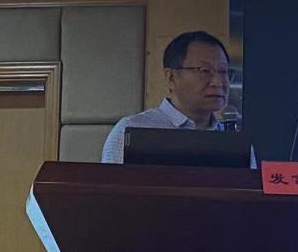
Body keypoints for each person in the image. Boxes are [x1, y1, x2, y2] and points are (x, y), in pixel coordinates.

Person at [101, 30, 236, 163]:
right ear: (171, 77)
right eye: (205, 71)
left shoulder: (232, 139)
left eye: (223, 71)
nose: (218, 82)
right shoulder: (132, 130)